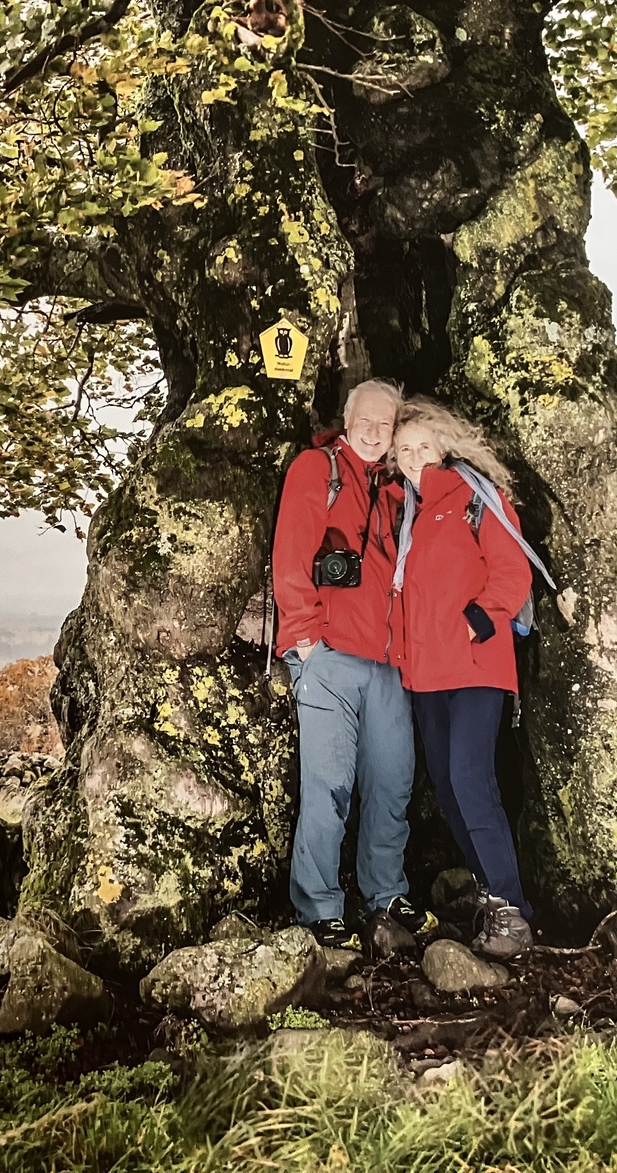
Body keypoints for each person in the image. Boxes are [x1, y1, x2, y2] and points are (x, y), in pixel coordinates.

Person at [272, 379, 439, 951]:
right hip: (330, 656)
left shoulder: (400, 488)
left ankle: (385, 893)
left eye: (385, 424)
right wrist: (306, 641)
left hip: (391, 664)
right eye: (364, 420)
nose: (373, 431)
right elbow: (290, 556)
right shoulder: (316, 469)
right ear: (346, 419)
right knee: (328, 784)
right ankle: (319, 906)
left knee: (392, 781)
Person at [389, 397, 535, 958]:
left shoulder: (477, 496)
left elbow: (512, 568)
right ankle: (491, 896)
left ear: (445, 446)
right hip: (426, 673)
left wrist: (481, 618)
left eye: (423, 446)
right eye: (403, 450)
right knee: (449, 790)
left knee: (472, 781)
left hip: (475, 664)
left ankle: (514, 913)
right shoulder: (410, 513)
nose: (413, 456)